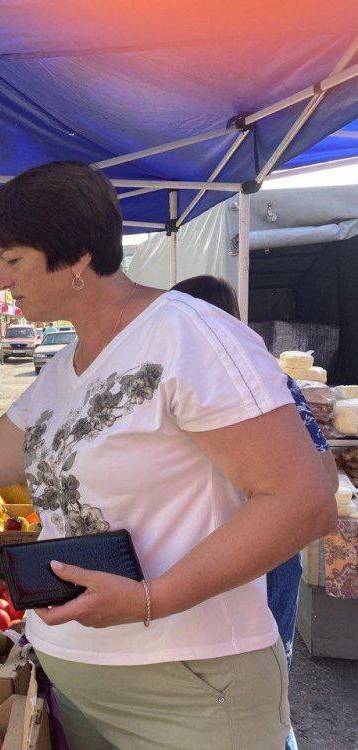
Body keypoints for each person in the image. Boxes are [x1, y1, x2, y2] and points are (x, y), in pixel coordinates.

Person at [0, 162, 338, 749]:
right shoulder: (67, 367)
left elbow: (304, 501)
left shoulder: (189, 335)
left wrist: (148, 599)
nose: (2, 281)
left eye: (12, 260)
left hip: (188, 690)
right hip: (84, 688)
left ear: (78, 257)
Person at [171, 274, 337, 750]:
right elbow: (321, 479)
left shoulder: (250, 382)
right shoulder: (265, 378)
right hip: (257, 557)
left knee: (249, 693)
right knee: (256, 690)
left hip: (242, 558)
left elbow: (319, 491)